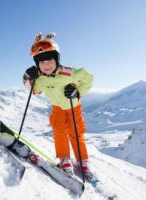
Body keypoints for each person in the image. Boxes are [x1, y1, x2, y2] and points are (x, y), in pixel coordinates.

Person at [23, 33, 94, 176]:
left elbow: (88, 78)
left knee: (76, 133)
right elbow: (33, 90)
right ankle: (64, 158)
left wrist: (78, 91)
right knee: (59, 132)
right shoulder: (40, 79)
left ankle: (82, 160)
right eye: (41, 62)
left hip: (73, 107)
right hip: (57, 108)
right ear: (37, 64)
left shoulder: (69, 73)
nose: (46, 65)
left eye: (49, 60)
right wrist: (27, 77)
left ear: (57, 59)